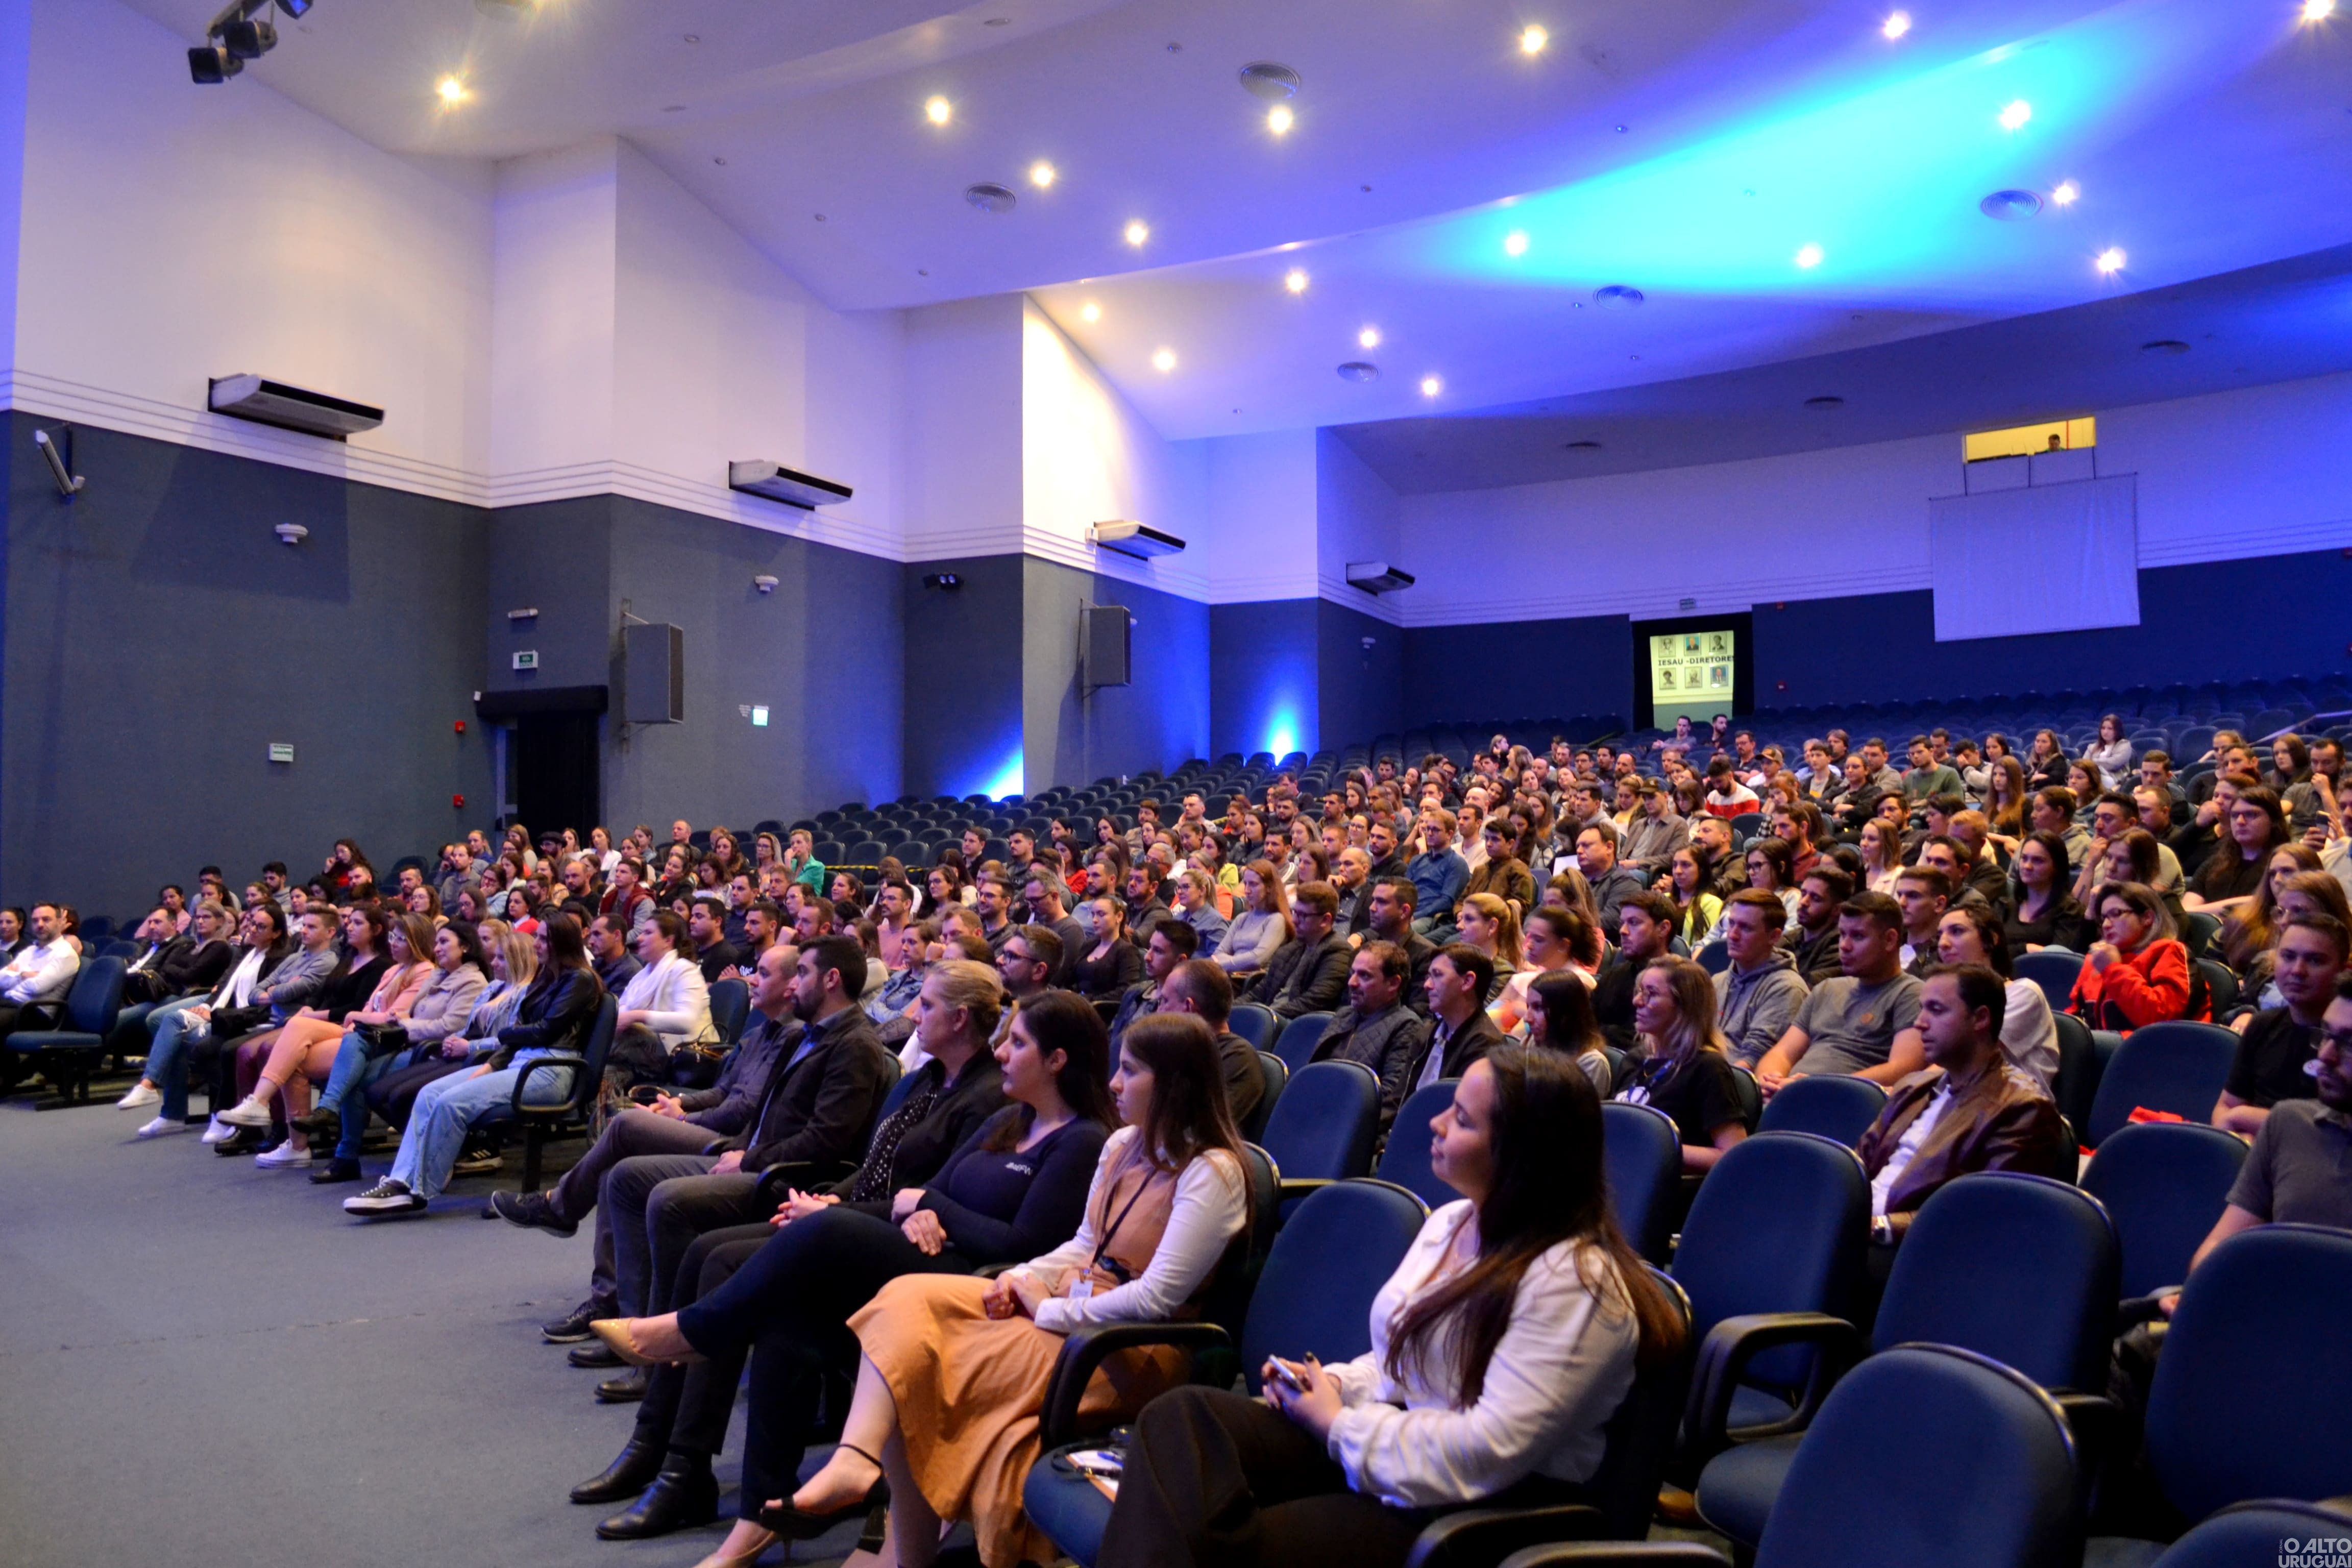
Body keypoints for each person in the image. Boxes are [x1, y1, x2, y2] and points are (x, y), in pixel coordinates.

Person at [578, 991, 1114, 1561]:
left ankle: (692, 1333)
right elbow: (926, 1195)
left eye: (1021, 1043)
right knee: (788, 1324)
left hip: (976, 1289)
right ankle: (759, 1519)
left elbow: (1022, 1244)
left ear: (1058, 1060)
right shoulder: (1011, 1119)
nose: (1004, 1052)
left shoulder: (1082, 1142)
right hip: (922, 1260)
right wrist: (925, 1206)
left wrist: (933, 1207)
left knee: (821, 1233)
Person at [1096, 1047, 1682, 1568]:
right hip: (1393, 1445)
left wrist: (1337, 1423)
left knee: (1211, 1541)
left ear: (1523, 1156)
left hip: (1474, 1508)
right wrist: (1329, 1386)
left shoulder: (1578, 1283)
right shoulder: (1454, 1221)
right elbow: (1399, 1360)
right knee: (1184, 1419)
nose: (1436, 1122)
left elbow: (1486, 1453)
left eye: (1463, 1120)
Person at [750, 1012, 1250, 1568]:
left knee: (931, 1366)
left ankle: (902, 1551)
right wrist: (1023, 1277)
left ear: (1176, 1083)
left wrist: (1051, 1307)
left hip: (1128, 1347)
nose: (1114, 1084)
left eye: (1130, 1072)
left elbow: (1156, 1300)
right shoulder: (1125, 1145)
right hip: (1069, 1306)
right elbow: (1083, 1244)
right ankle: (855, 1462)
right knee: (906, 1301)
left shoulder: (1214, 1173)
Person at [343, 915, 605, 1217]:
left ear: (563, 943)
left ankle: (417, 1190)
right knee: (430, 1093)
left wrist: (505, 1033)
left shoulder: (580, 980)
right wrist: (491, 1066)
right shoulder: (547, 979)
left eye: (544, 939)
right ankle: (401, 1180)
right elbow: (523, 1035)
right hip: (522, 1063)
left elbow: (543, 1031)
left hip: (550, 1070)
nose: (536, 944)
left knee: (450, 1103)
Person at [2157, 972, 2352, 1319]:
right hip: (2258, 1324)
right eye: (2326, 1035)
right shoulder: (2290, 1123)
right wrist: (2203, 1290)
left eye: (2349, 1044)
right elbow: (2220, 1246)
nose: (2326, 1055)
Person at [1856, 966, 2071, 1255]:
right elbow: (1857, 1165)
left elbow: (1979, 1214)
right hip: (1856, 1230)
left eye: (1936, 1010)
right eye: (1922, 1009)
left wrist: (1873, 1228)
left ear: (1981, 1018)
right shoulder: (1913, 1087)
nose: (1920, 1023)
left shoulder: (2024, 1108)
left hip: (1912, 1255)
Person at [1753, 892, 1927, 1096]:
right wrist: (1770, 1079)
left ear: (1890, 940)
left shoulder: (1911, 993)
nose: (1844, 946)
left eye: (1858, 936)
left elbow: (1905, 1068)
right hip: (1789, 1095)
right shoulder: (1827, 989)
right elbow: (1782, 1053)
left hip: (1846, 1104)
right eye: (1843, 934)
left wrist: (1820, 1086)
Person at [2212, 915, 2348, 1137]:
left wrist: (2244, 1118)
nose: (2297, 971)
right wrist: (2235, 1142)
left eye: (2315, 960)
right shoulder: (2263, 1024)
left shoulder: (2344, 1043)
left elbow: (2331, 1129)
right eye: (2288, 956)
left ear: (2344, 971)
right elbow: (2226, 1107)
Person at [1616, 956, 1749, 1172]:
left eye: (1652, 994)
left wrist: (1655, 1146)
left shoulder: (1707, 1068)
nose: (1637, 1001)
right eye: (1640, 991)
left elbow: (1732, 1156)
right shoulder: (1635, 1060)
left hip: (1662, 1190)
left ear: (1685, 1007)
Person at [1309, 941, 1432, 1124]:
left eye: (1364, 976)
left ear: (1393, 984)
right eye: (1353, 973)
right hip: (1316, 1112)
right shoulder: (1344, 1015)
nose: (1352, 983)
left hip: (1348, 1126)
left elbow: (1388, 1099)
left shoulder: (1406, 1026)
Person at [2068, 882, 2202, 1036]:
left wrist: (2113, 969)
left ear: (2147, 918)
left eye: (2116, 914)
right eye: (2104, 918)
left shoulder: (2169, 952)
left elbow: (2161, 1018)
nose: (2105, 925)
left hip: (2157, 1049)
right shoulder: (2097, 960)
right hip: (2103, 1050)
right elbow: (2076, 1015)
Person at [1157, 958, 1267, 1134]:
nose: (1159, 1011)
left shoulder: (1238, 1058)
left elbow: (1201, 1133)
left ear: (1188, 1007)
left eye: (1164, 1002)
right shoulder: (1178, 1051)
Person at [1713, 890, 1809, 1069]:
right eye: (1731, 923)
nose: (1732, 935)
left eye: (1746, 928)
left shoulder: (1787, 989)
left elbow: (1753, 1060)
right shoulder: (1717, 982)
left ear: (1774, 936)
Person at [1403, 945, 1505, 1098]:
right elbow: (1397, 1100)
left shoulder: (1486, 1045)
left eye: (1437, 975)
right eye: (1428, 977)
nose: (1427, 985)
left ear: (1467, 982)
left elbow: (1460, 1112)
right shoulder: (1425, 1034)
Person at [1250, 883, 1352, 1019]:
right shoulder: (1291, 949)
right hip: (1270, 1018)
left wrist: (1265, 1017)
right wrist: (1232, 1011)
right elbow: (1260, 991)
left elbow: (1312, 1003)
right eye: (1295, 912)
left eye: (1303, 915)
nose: (1294, 920)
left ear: (1325, 920)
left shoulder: (1339, 952)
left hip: (1294, 1026)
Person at [2185, 785, 2287, 914]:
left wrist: (2200, 912)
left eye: (2251, 814)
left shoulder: (2284, 864)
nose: (2240, 821)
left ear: (2273, 820)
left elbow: (2263, 903)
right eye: (2235, 815)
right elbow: (2188, 909)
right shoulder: (2216, 862)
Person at [1524, 968, 1612, 1094]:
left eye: (1538, 1008)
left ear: (1564, 1015)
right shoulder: (1532, 1043)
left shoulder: (1591, 1063)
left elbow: (1577, 1113)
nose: (1527, 1018)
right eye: (1528, 1007)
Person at [1108, 920, 1194, 1048]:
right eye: (1150, 948)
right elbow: (1112, 1037)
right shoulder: (1136, 992)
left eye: (1158, 951)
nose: (1147, 957)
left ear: (1181, 960)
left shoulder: (1182, 1006)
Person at [1211, 861, 1289, 977]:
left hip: (1254, 982)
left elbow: (1258, 959)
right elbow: (1218, 954)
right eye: (1246, 884)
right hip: (1230, 977)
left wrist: (1223, 964)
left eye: (1253, 884)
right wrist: (1225, 963)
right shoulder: (1242, 918)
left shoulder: (1276, 919)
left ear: (1269, 888)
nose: (1247, 890)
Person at [1574, 823, 1643, 942]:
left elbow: (1610, 923)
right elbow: (1539, 913)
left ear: (1609, 847)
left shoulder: (1627, 883)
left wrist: (1563, 923)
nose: (1579, 851)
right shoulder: (1570, 879)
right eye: (1578, 846)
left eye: (1586, 846)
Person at [1073, 895, 1147, 1001]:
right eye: (1093, 914)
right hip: (1079, 1003)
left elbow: (1125, 991)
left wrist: (1090, 1000)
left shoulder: (1127, 951)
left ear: (1119, 917)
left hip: (1102, 1009)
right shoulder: (1089, 945)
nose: (1094, 920)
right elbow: (1074, 979)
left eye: (1101, 914)